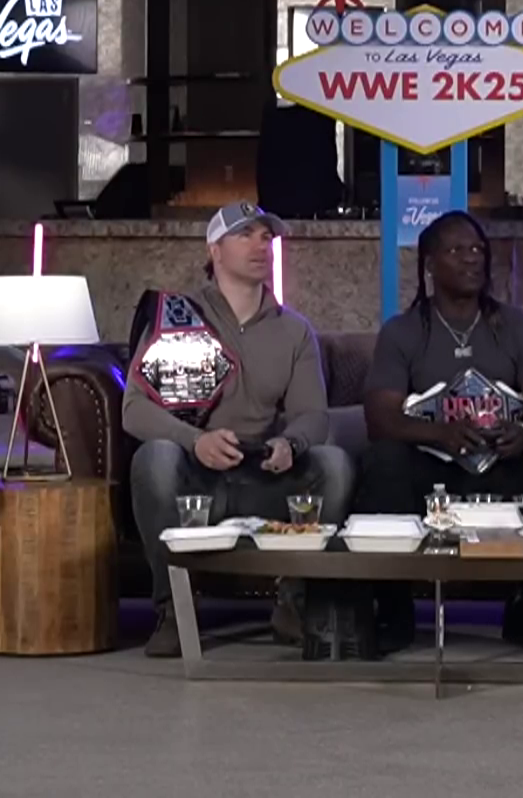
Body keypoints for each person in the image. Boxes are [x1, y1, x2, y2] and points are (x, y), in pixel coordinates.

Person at [355, 211, 523, 655]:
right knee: (383, 462)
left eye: (477, 250)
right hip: (435, 472)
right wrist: (439, 434)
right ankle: (394, 613)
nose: (471, 258)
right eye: (456, 250)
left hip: (505, 466)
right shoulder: (403, 331)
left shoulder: (514, 326)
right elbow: (380, 419)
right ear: (430, 264)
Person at [124, 202, 354, 658]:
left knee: (334, 464)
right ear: (215, 250)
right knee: (154, 458)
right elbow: (133, 410)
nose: (260, 246)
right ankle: (173, 610)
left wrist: (290, 443)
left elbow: (313, 415)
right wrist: (195, 441)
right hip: (195, 479)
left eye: (266, 237)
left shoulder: (294, 331)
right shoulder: (180, 318)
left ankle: (294, 602)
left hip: (264, 474)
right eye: (245, 235)